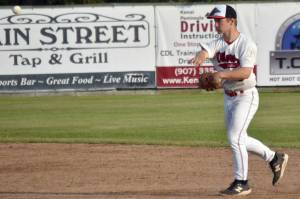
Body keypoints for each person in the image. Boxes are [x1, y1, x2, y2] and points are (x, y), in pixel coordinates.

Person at [191, 4, 288, 196]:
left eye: (219, 21)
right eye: (214, 21)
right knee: (240, 138)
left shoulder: (246, 44)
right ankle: (274, 158)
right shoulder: (217, 42)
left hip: (246, 96)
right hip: (229, 98)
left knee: (234, 138)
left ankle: (241, 182)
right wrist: (201, 55)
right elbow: (206, 50)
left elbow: (245, 72)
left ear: (232, 21)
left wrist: (221, 75)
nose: (216, 24)